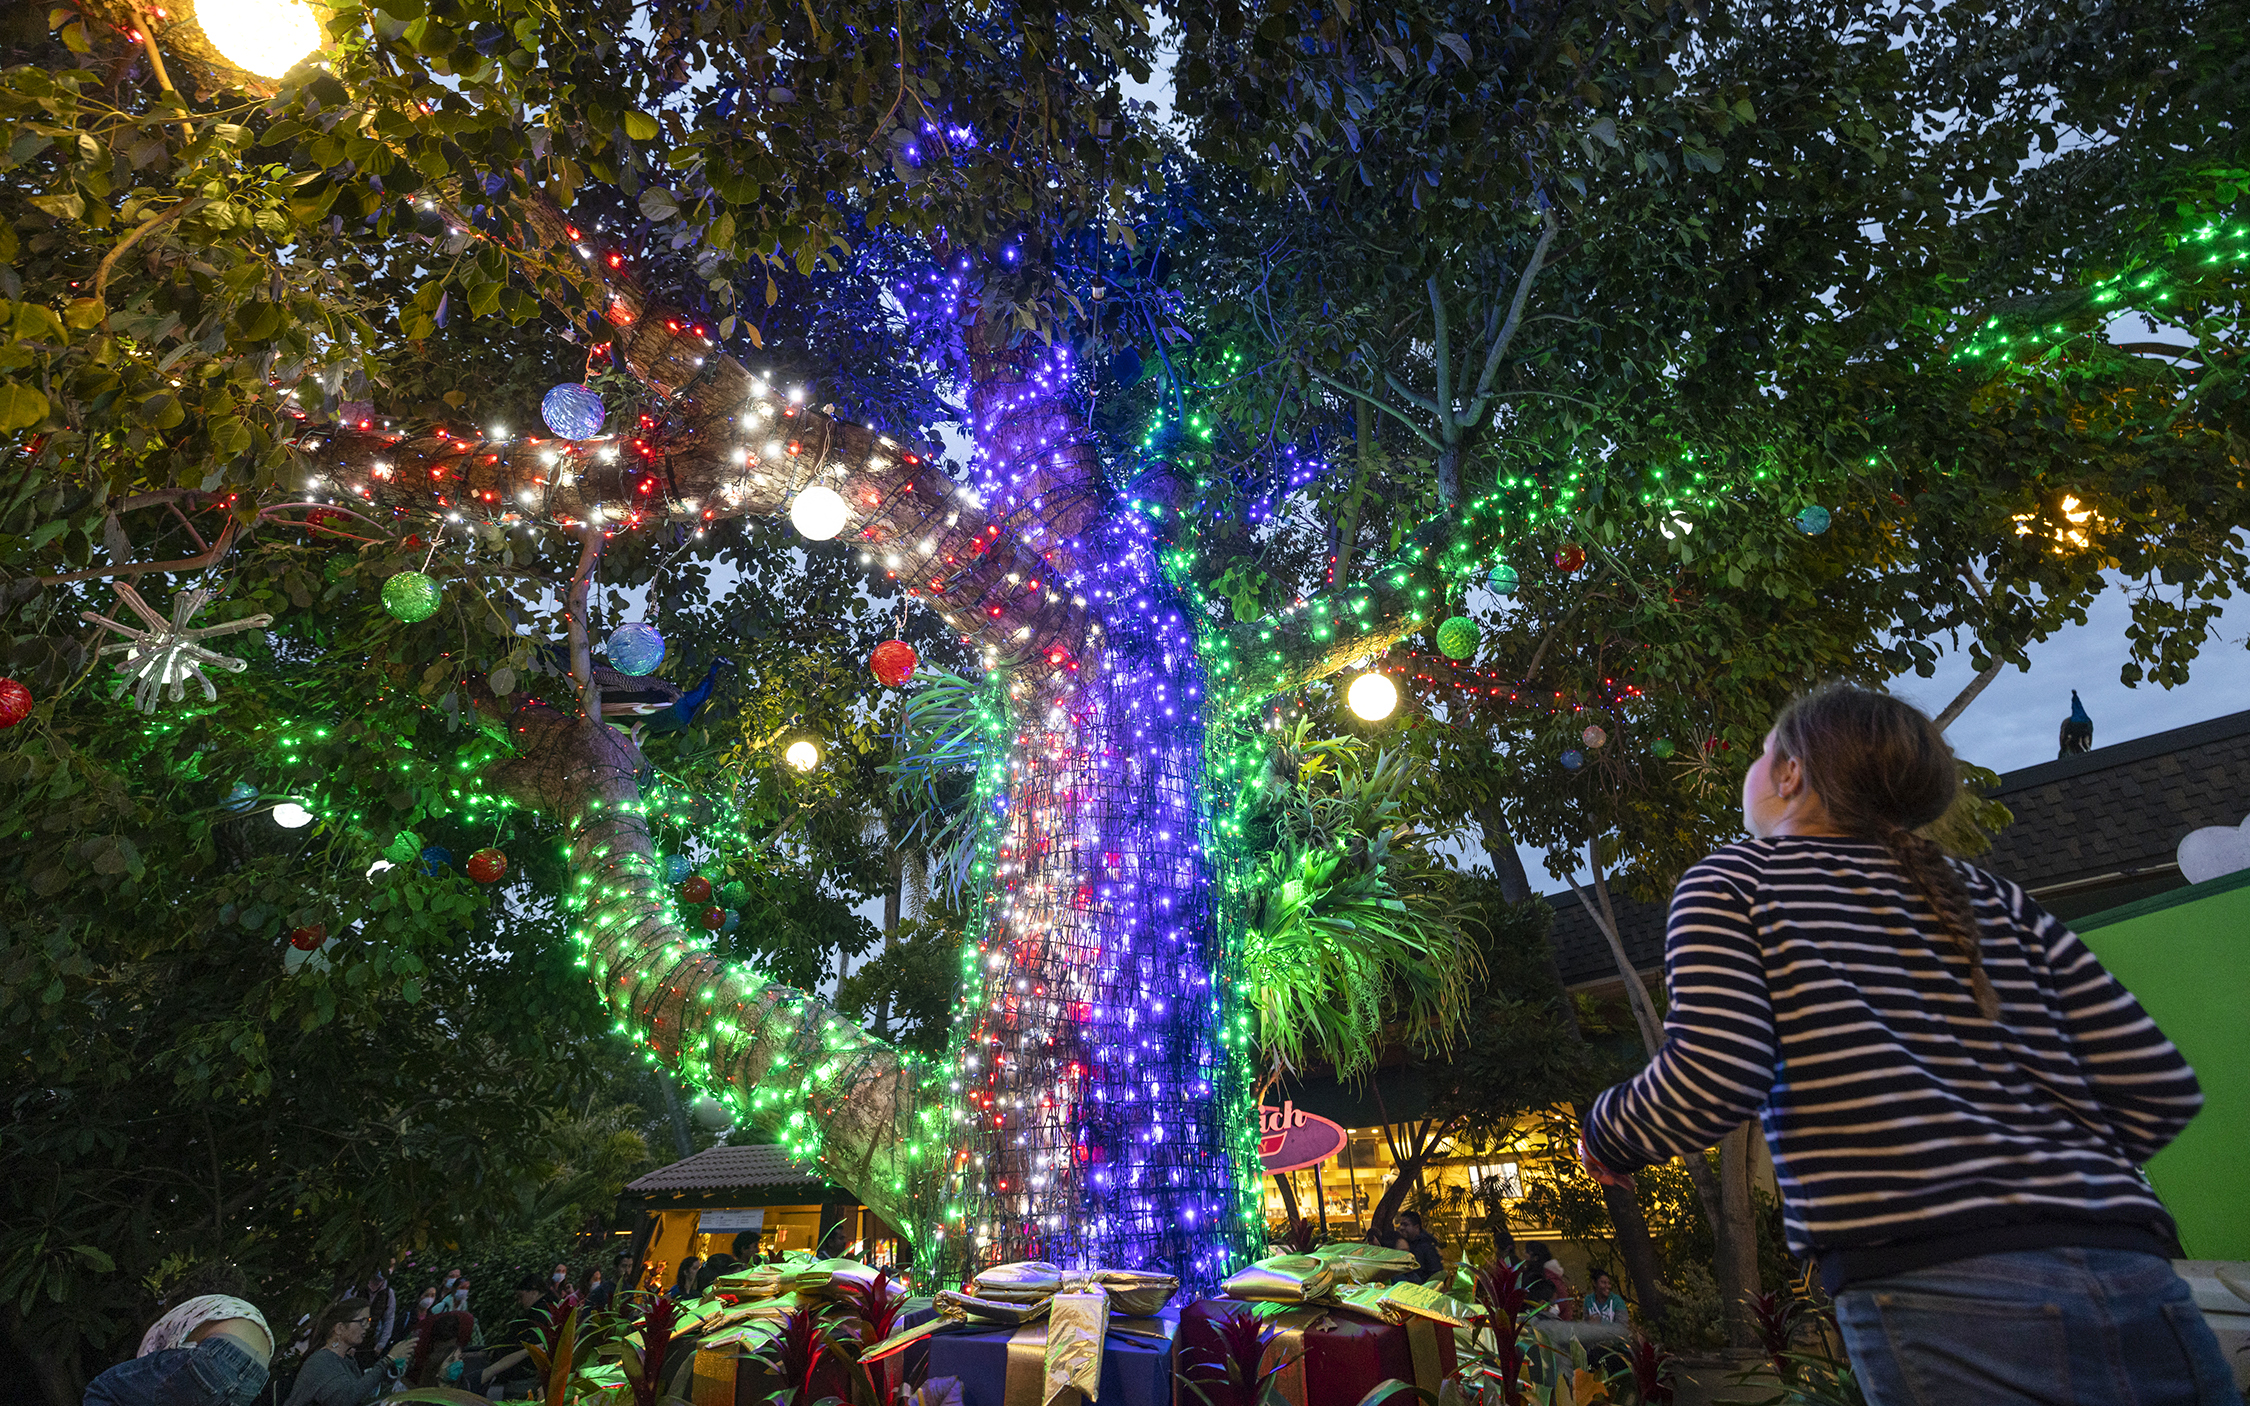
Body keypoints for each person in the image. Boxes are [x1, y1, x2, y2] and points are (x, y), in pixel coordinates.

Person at [1579, 685, 2238, 1406]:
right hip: (2133, 1268)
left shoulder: (1739, 881)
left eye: (1763, 751)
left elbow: (1715, 1075)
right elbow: (2157, 1085)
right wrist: (2051, 1177)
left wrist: (1606, 1138)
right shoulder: (1990, 896)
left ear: (1791, 773)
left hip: (1941, 1288)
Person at [85, 1294, 274, 1406]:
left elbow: (150, 1365)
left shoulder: (170, 1319)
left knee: (105, 1389)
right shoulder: (220, 1306)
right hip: (255, 1378)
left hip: (219, 1352)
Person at [281, 1298, 396, 1406]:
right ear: (339, 1328)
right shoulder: (321, 1362)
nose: (367, 1326)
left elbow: (361, 1393)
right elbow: (347, 1398)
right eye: (362, 1321)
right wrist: (387, 1360)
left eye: (368, 1320)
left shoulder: (346, 1360)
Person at [1388, 1211, 1444, 1286]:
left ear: (1416, 1227)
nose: (1401, 1228)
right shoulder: (1401, 1242)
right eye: (1401, 1224)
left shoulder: (1426, 1247)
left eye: (1405, 1224)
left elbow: (1435, 1272)